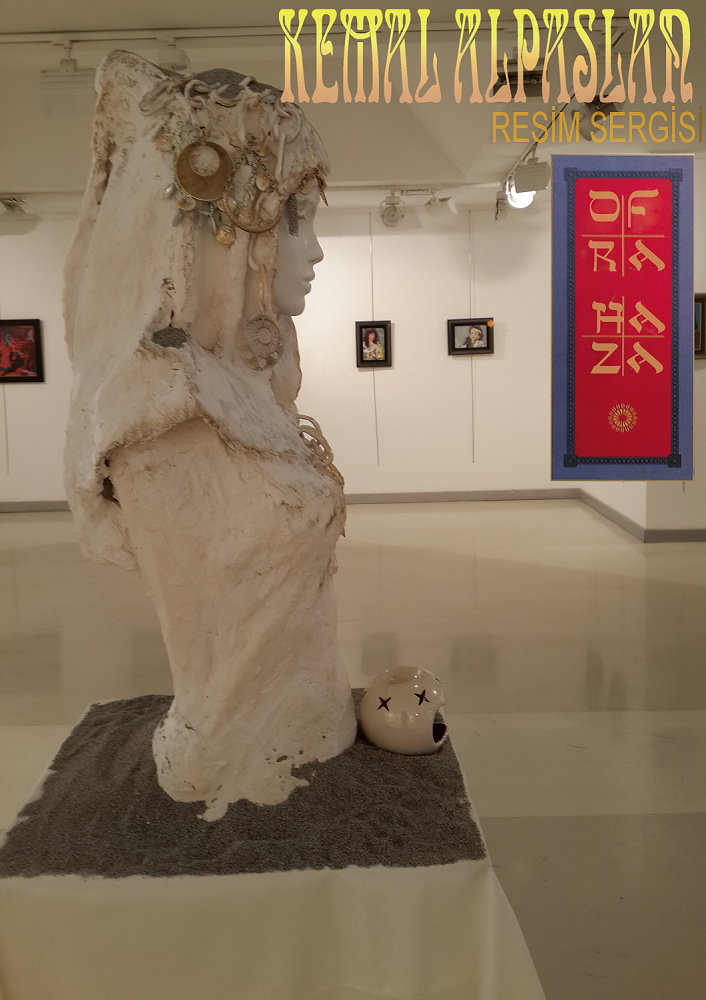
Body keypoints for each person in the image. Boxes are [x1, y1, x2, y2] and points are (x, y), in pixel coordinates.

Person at [64, 51, 356, 820]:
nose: (316, 249)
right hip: (234, 754)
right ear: (226, 236)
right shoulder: (157, 416)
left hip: (314, 722)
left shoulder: (253, 391)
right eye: (295, 220)